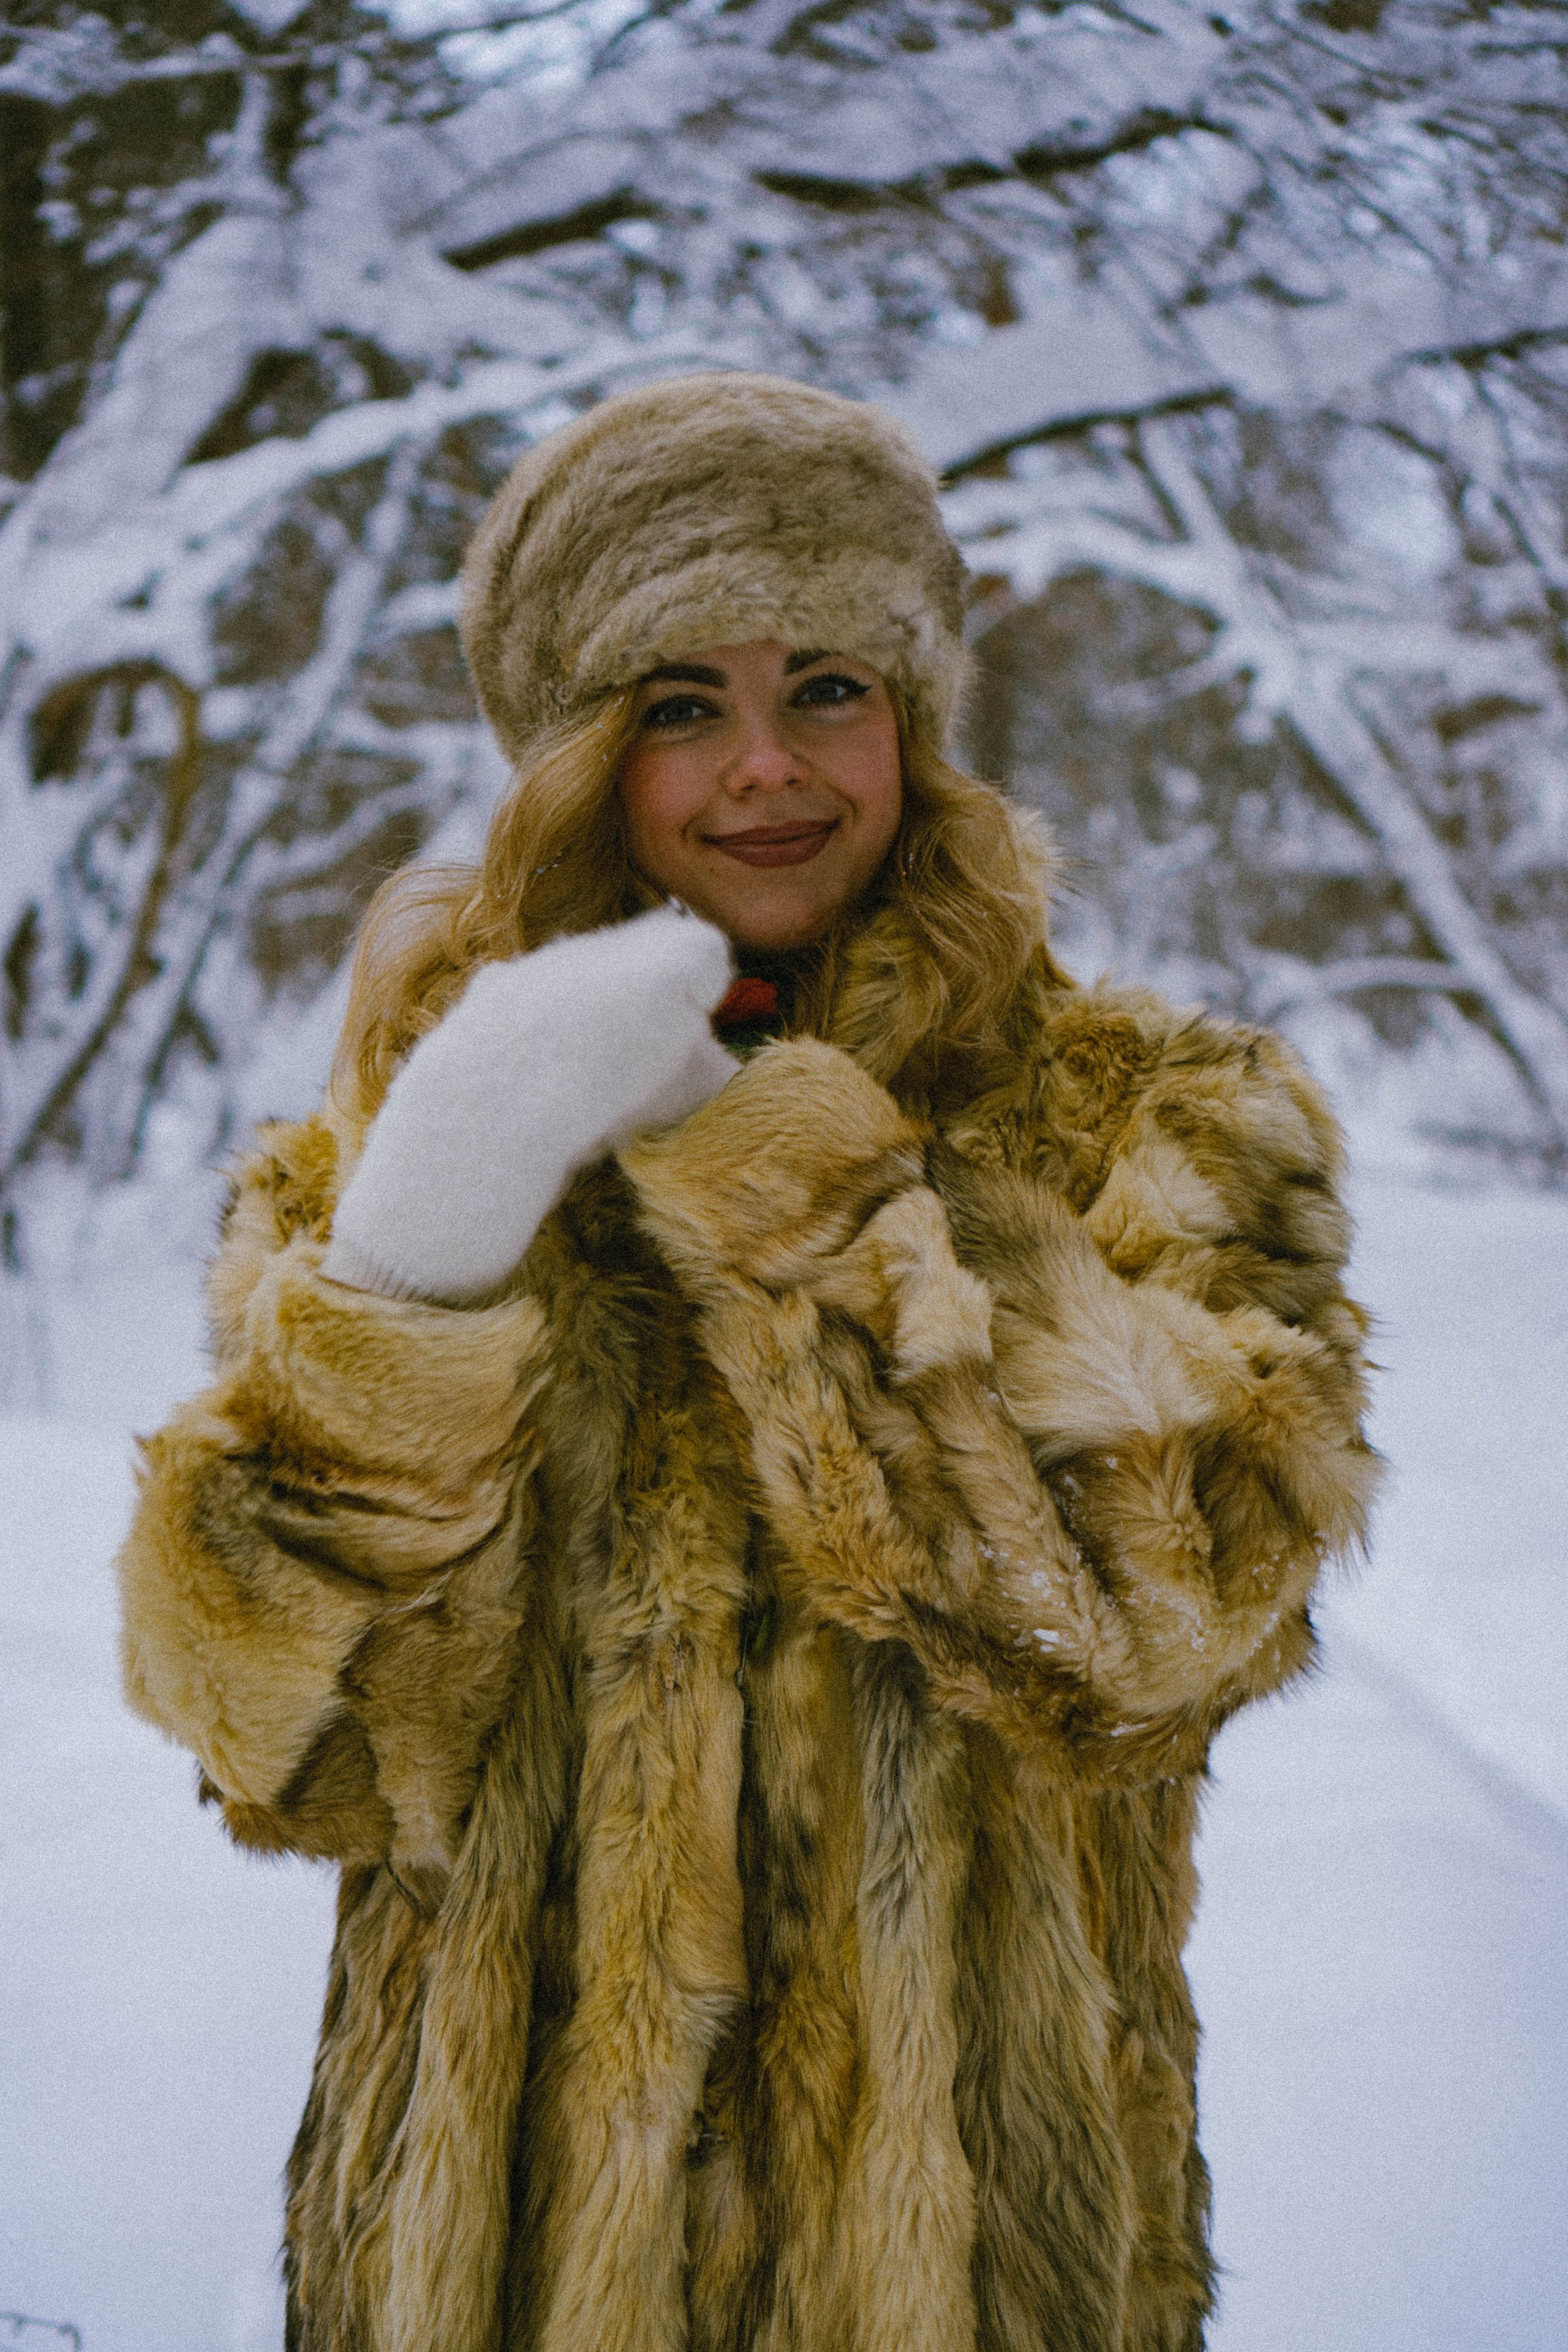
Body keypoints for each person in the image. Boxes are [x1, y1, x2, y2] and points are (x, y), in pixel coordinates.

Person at [117, 373, 1379, 2352]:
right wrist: (419, 1268)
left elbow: (1144, 1626)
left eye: (829, 690)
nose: (766, 771)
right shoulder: (414, 1150)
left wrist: (750, 1152)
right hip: (501, 2273)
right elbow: (303, 1755)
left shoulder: (1164, 1116)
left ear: (919, 718)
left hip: (972, 2269)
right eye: (678, 706)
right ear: (576, 757)